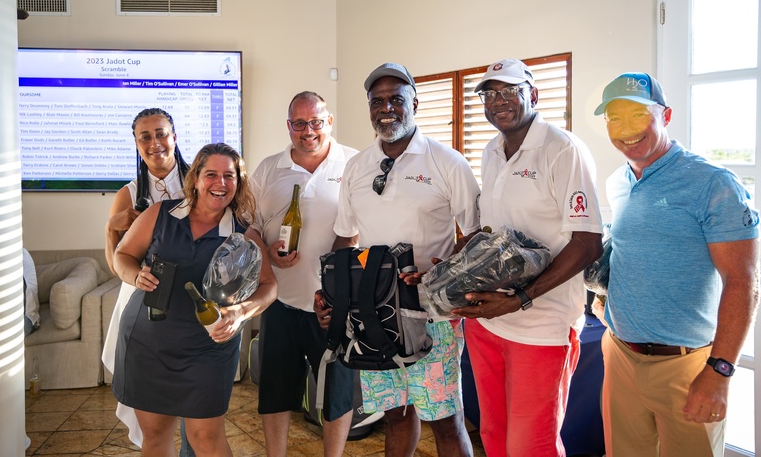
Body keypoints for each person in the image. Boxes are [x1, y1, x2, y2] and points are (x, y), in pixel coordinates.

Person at [317, 62, 481, 457]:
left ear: (415, 104)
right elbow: (345, 236)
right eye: (377, 101)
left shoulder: (447, 162)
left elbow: (477, 235)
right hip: (374, 314)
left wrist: (441, 274)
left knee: (446, 420)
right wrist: (331, 294)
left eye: (396, 99)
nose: (386, 108)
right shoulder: (357, 167)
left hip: (433, 316)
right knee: (395, 415)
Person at [592, 72, 760, 457]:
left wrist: (719, 371)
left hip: (687, 365)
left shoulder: (713, 183)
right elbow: (631, 254)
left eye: (639, 115)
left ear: (665, 116)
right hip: (620, 355)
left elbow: (743, 281)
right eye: (615, 118)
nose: (626, 129)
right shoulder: (618, 182)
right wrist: (609, 303)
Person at [452, 58, 603, 457]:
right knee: (494, 436)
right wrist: (454, 267)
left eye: (509, 91)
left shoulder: (562, 149)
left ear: (532, 95)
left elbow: (588, 243)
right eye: (489, 94)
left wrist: (519, 298)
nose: (498, 101)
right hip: (488, 322)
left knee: (531, 447)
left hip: (541, 326)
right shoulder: (491, 150)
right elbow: (494, 232)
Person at [112, 143, 278, 457]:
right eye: (211, 174)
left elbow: (269, 287)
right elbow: (122, 256)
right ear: (196, 179)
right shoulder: (160, 214)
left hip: (207, 348)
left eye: (229, 176)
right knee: (155, 435)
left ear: (238, 183)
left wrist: (241, 312)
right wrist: (134, 275)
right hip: (148, 341)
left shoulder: (243, 233)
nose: (220, 183)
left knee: (206, 438)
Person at [250, 91, 358, 456]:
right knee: (275, 392)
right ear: (288, 126)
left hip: (335, 306)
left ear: (329, 122)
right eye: (299, 123)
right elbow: (248, 225)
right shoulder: (268, 169)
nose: (308, 131)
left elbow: (366, 227)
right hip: (279, 301)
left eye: (315, 122)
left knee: (337, 394)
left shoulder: (354, 164)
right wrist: (266, 253)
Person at [101, 108, 194, 453]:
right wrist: (110, 229)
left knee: (196, 408)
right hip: (144, 299)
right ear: (136, 144)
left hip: (191, 298)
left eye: (161, 133)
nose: (155, 143)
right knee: (154, 411)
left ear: (174, 137)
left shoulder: (199, 182)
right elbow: (116, 263)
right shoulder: (127, 194)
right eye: (145, 136)